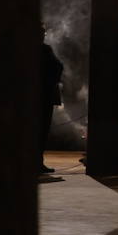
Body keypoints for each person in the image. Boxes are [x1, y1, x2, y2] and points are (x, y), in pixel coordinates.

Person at [40, 27, 64, 175]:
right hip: (44, 96)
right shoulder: (44, 49)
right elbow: (58, 66)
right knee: (42, 131)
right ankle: (37, 162)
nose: (44, 35)